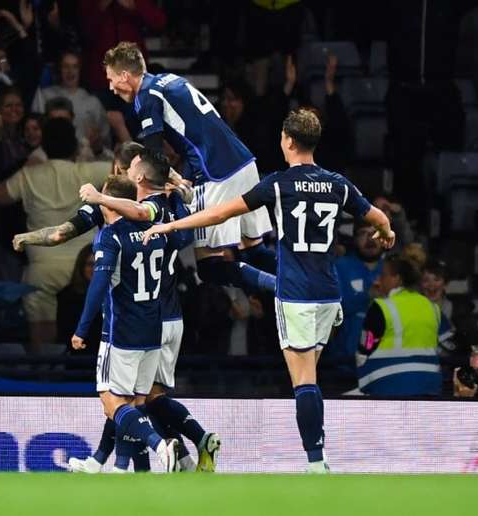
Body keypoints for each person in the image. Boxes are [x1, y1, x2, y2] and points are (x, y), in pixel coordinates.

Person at [142, 109, 396, 473]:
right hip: (329, 294)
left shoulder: (278, 184)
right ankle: (317, 457)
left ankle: (316, 462)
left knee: (304, 380)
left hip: (295, 294)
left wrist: (171, 227)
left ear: (288, 141)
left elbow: (218, 215)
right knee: (311, 375)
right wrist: (386, 234)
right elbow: (379, 219)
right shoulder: (338, 184)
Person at [76, 148, 221, 472]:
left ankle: (168, 449)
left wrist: (100, 198)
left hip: (143, 319)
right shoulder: (173, 208)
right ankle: (179, 455)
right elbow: (181, 229)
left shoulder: (143, 214)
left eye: (127, 168)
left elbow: (139, 214)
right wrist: (179, 187)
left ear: (138, 175)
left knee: (132, 401)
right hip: (168, 317)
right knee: (147, 400)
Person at [99, 42, 276, 293]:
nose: (110, 87)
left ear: (125, 76)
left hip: (216, 174)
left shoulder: (146, 96)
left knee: (209, 265)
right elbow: (193, 136)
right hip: (243, 163)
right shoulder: (170, 80)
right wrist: (182, 178)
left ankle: (285, 288)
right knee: (254, 249)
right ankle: (305, 285)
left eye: (111, 79)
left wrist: (170, 183)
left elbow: (154, 155)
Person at [66, 175, 178, 473]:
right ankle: (119, 465)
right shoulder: (156, 230)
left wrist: (81, 328)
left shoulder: (111, 235)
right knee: (136, 403)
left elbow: (98, 285)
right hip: (153, 328)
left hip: (122, 331)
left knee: (112, 402)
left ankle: (159, 445)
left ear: (111, 200)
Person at [0, 118, 110, 353]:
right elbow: (129, 171)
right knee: (90, 332)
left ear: (43, 146)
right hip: (85, 268)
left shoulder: (29, 174)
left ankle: (45, 382)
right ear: (75, 146)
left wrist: (28, 166)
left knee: (42, 344)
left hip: (42, 269)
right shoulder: (89, 171)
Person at [355, 254, 443, 397]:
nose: (378, 280)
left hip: (387, 382)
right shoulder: (432, 307)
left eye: (383, 275)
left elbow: (366, 345)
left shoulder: (382, 306)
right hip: (429, 383)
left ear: (396, 279)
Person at [326, 221, 385, 372]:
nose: (370, 239)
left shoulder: (392, 269)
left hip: (385, 360)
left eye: (375, 234)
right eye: (363, 233)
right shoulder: (340, 266)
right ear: (354, 239)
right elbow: (333, 309)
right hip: (346, 361)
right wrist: (366, 296)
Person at [32, 51, 111, 146]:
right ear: (59, 69)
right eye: (66, 66)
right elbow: (34, 127)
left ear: (80, 70)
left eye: (75, 66)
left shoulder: (92, 102)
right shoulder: (44, 95)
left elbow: (104, 134)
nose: (70, 71)